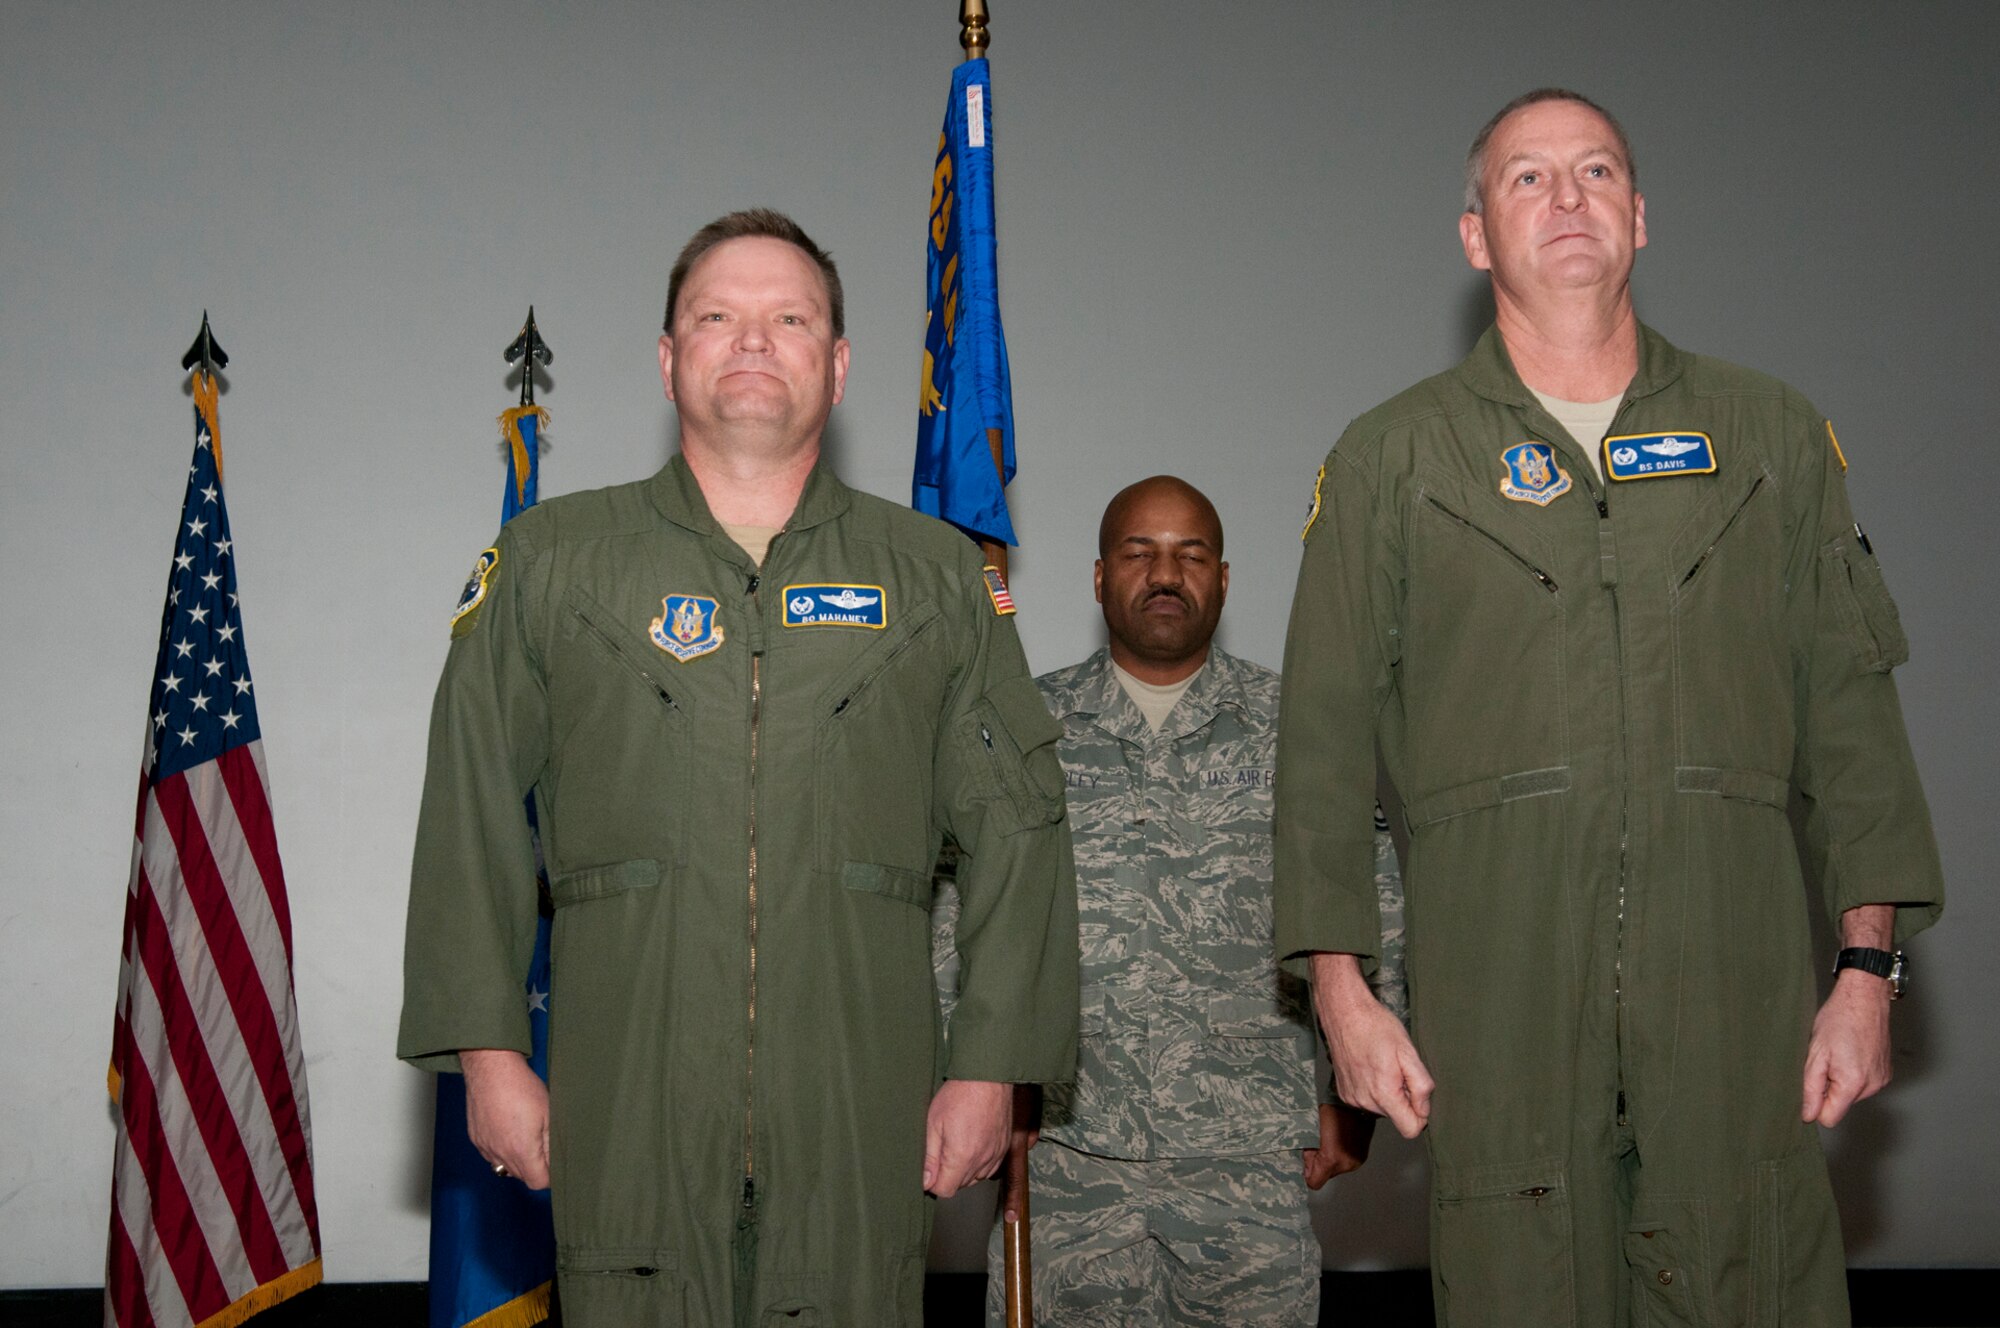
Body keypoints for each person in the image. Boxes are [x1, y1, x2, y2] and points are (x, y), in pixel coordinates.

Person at [1274, 90, 1944, 1327]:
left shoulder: (1767, 436)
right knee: (1518, 1278)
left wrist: (1863, 967)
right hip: (1500, 983)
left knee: (1749, 1264)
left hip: (1730, 979)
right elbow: (1318, 749)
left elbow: (1848, 717)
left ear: (1639, 214)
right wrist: (1340, 990)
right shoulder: (1389, 460)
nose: (1565, 198)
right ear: (1474, 234)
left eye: (1594, 171)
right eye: (1525, 179)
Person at [398, 208, 1079, 1326]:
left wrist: (992, 1062)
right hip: (629, 1104)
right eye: (717, 317)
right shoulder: (553, 560)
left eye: (790, 318)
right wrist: (488, 1050)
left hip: (858, 1112)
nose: (753, 340)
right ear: (668, 361)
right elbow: (469, 802)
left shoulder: (939, 577)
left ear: (839, 364)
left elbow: (1019, 827)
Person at [970, 476, 1405, 1325]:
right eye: (1139, 553)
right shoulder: (1030, 729)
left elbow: (1371, 908)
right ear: (1099, 578)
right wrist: (974, 1085)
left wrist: (1357, 1104)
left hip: (1245, 1168)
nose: (1164, 573)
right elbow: (967, 916)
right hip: (1064, 1160)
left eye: (1190, 554)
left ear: (1225, 579)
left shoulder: (1299, 729)